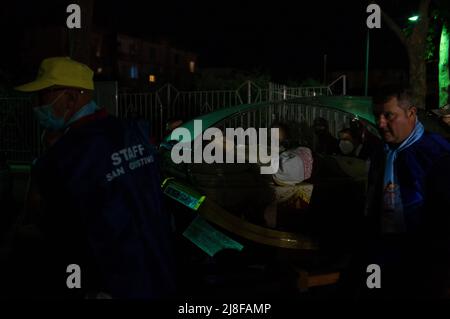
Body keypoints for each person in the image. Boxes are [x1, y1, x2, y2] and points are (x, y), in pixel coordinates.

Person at [9, 57, 175, 299]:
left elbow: (38, 223)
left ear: (71, 98)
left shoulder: (62, 156)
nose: (36, 105)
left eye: (43, 95)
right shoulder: (134, 131)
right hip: (159, 270)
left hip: (107, 283)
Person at [361, 85, 450, 298]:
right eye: (377, 116)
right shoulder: (381, 153)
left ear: (411, 113)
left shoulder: (437, 153)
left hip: (426, 258)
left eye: (388, 115)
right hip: (383, 253)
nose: (380, 123)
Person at [263, 123, 314, 228]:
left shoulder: (294, 152)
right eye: (273, 133)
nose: (275, 136)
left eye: (278, 133)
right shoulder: (267, 149)